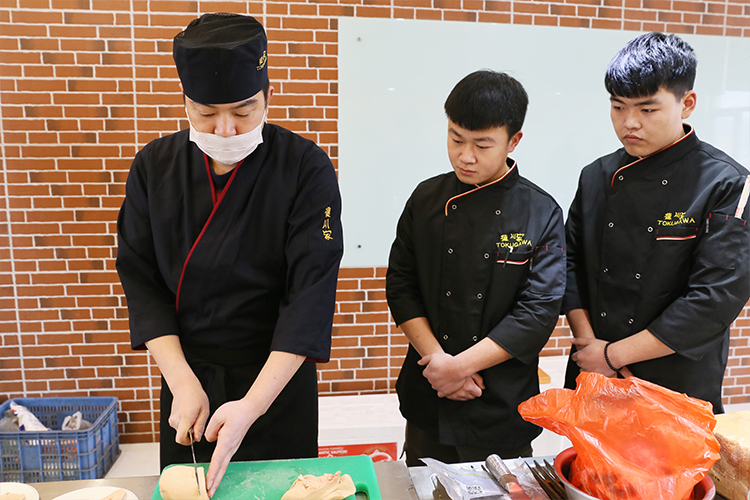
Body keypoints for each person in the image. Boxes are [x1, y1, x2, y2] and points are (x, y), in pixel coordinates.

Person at [115, 13, 343, 495]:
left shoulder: (305, 167)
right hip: (189, 383)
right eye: (205, 113)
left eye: (243, 111)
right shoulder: (153, 167)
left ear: (268, 96)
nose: (224, 129)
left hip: (276, 383)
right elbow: (141, 280)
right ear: (185, 102)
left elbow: (310, 295)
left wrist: (252, 405)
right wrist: (180, 381)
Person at [386, 70, 566, 465]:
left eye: (482, 144)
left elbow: (537, 312)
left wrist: (458, 368)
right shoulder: (426, 199)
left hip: (499, 403)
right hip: (429, 394)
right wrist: (440, 365)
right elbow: (401, 284)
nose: (465, 156)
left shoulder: (541, 212)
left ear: (513, 141)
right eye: (456, 139)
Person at [563, 32, 750, 413]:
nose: (629, 123)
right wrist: (592, 350)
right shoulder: (596, 175)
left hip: (674, 383)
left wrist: (614, 355)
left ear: (687, 104)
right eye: (618, 107)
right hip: (595, 373)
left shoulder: (727, 183)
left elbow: (713, 300)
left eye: (647, 110)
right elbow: (569, 264)